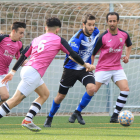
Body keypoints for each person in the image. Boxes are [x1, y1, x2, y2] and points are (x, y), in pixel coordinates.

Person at [1, 17, 92, 132]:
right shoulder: (59, 40)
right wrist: (86, 65)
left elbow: (23, 55)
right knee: (15, 100)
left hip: (28, 69)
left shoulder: (37, 39)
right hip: (33, 73)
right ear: (58, 30)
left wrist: (13, 71)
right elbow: (72, 54)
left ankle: (28, 120)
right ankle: (26, 120)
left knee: (44, 94)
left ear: (45, 28)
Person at [43, 14, 99, 127]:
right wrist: (87, 64)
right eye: (89, 25)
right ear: (83, 24)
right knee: (60, 97)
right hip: (70, 69)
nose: (91, 27)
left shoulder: (96, 32)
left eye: (93, 25)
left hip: (84, 69)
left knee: (92, 88)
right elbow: (72, 56)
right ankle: (49, 117)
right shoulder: (76, 38)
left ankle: (77, 112)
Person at [92, 12, 132, 123]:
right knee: (92, 90)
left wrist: (127, 56)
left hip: (117, 67)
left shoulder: (124, 34)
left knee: (125, 89)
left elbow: (129, 45)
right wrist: (91, 67)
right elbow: (93, 53)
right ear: (107, 22)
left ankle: (115, 115)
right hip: (103, 68)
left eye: (114, 21)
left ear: (118, 21)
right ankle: (77, 112)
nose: (112, 23)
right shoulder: (103, 37)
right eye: (110, 21)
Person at [0, 22, 26, 106]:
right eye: (20, 33)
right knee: (5, 96)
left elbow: (20, 60)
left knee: (4, 101)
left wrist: (33, 63)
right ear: (14, 31)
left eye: (23, 33)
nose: (22, 35)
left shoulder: (19, 44)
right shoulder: (2, 38)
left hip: (5, 74)